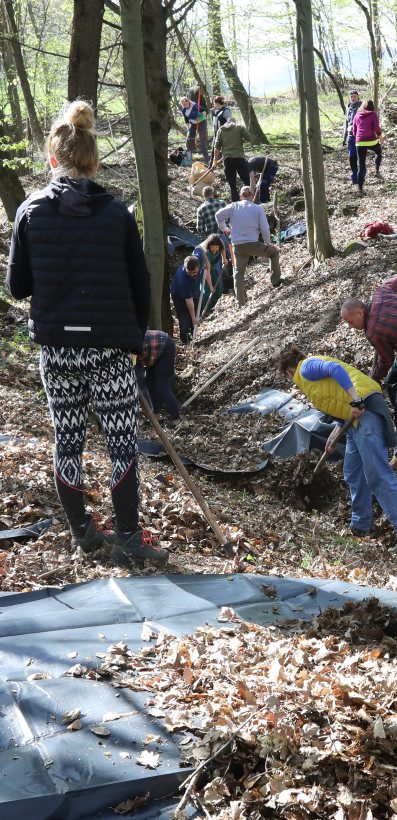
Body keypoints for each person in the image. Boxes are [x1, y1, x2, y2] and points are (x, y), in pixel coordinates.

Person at [5, 99, 167, 567]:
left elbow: (17, 287)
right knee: (121, 444)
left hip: (58, 349)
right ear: (94, 163)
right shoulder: (116, 214)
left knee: (68, 441)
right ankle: (127, 539)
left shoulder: (30, 211)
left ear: (52, 159)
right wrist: (135, 340)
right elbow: (141, 284)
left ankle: (83, 533)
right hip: (109, 350)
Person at [279, 347, 397, 553]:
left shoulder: (306, 367)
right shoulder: (309, 381)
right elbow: (337, 401)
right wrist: (334, 435)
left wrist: (356, 399)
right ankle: (361, 526)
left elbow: (335, 369)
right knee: (353, 472)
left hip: (366, 415)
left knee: (378, 474)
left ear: (289, 372)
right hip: (353, 424)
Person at [340, 274, 397, 470]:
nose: (351, 327)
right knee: (391, 382)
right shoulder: (381, 292)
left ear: (360, 313)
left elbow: (386, 361)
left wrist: (372, 380)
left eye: (351, 322)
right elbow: (396, 279)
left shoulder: (374, 331)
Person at [216, 186, 281, 305]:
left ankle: (240, 302)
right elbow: (265, 228)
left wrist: (224, 228)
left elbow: (218, 215)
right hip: (253, 244)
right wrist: (268, 243)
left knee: (238, 273)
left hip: (237, 246)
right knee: (274, 252)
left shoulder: (233, 206)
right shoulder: (257, 208)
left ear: (241, 196)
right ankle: (275, 281)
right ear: (252, 195)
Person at [136, 330, 180, 420]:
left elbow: (141, 386)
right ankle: (156, 414)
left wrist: (147, 410)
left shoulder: (129, 353)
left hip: (164, 345)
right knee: (149, 383)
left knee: (162, 387)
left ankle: (176, 417)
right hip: (152, 352)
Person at [215, 117, 252, 201]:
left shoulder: (221, 130)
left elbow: (216, 148)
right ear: (234, 122)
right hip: (239, 158)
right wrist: (241, 139)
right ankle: (248, 200)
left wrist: (215, 161)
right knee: (246, 181)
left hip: (227, 159)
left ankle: (235, 203)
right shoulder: (240, 127)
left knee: (232, 184)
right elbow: (249, 139)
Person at [170, 255, 202, 345]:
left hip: (194, 292)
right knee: (185, 318)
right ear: (185, 268)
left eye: (194, 272)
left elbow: (201, 250)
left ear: (198, 267)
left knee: (194, 315)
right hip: (179, 296)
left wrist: (207, 265)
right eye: (189, 273)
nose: (192, 275)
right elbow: (189, 300)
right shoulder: (182, 278)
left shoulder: (199, 261)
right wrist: (193, 317)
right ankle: (186, 341)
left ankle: (193, 338)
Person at [352, 99, 382, 193]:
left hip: (359, 142)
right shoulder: (373, 114)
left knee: (361, 166)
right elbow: (377, 128)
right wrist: (380, 137)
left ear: (363, 106)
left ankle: (360, 189)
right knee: (379, 152)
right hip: (371, 140)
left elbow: (354, 131)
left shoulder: (357, 115)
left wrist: (359, 138)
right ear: (372, 106)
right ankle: (377, 171)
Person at [193, 233, 227, 317]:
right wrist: (211, 286)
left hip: (213, 269)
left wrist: (224, 259)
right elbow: (207, 271)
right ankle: (205, 311)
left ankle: (213, 308)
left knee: (219, 289)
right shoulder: (206, 254)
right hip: (204, 272)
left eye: (216, 247)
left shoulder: (220, 245)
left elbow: (223, 248)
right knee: (206, 292)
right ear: (209, 246)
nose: (214, 249)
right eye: (212, 247)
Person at [180, 92, 209, 163]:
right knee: (189, 139)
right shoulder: (184, 110)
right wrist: (188, 129)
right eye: (183, 104)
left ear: (188, 102)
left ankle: (207, 160)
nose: (185, 106)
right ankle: (189, 159)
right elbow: (186, 120)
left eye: (186, 104)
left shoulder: (195, 106)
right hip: (193, 124)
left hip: (201, 123)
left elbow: (205, 112)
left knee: (202, 141)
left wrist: (200, 117)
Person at [343, 89, 361, 187]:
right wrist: (344, 137)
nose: (353, 98)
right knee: (352, 157)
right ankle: (354, 178)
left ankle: (361, 177)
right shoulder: (348, 108)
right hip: (350, 136)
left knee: (360, 157)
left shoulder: (362, 107)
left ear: (358, 97)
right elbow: (346, 123)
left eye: (354, 96)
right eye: (351, 97)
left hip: (360, 136)